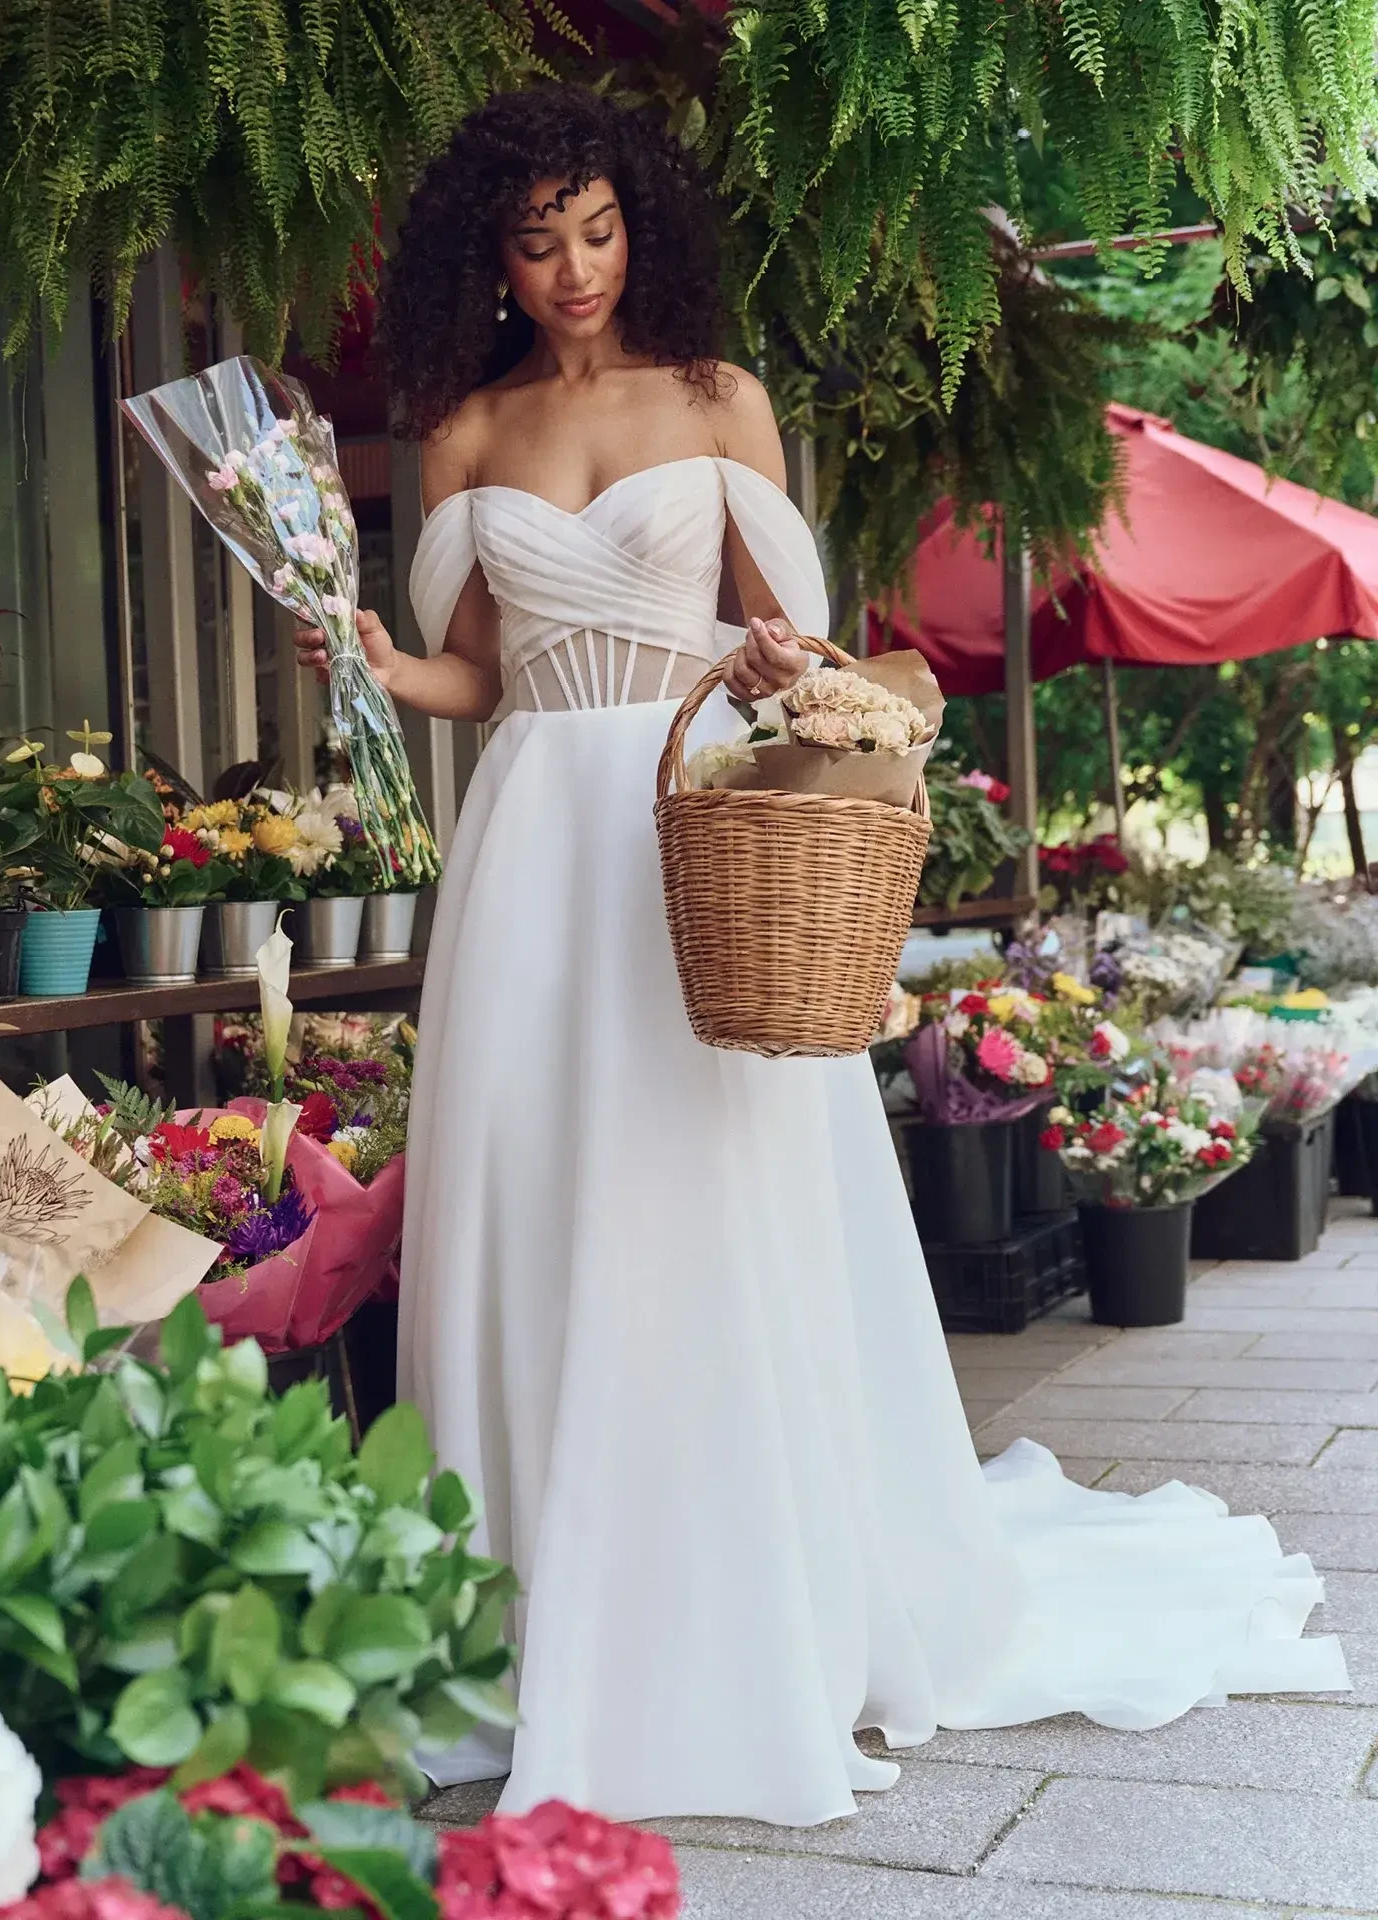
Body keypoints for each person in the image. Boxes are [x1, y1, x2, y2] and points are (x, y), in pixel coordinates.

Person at [295, 84, 1347, 1826]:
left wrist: (786, 663)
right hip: (527, 844)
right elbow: (474, 674)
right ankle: (529, 1609)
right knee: (530, 1188)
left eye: (600, 227)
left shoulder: (721, 400)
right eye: (536, 236)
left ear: (642, 227)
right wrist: (366, 658)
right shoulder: (459, 433)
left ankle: (757, 1600)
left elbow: (792, 656)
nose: (572, 265)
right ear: (489, 254)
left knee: (703, 1182)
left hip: (686, 832)